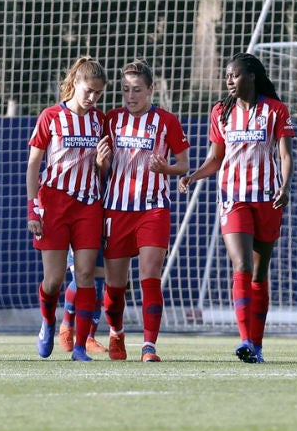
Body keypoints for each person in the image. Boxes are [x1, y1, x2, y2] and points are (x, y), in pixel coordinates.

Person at [179, 53, 294, 364]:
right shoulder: (221, 112)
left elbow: (285, 155)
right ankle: (244, 339)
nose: (229, 81)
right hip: (233, 198)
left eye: (235, 75)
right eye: (227, 76)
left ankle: (256, 345)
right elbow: (216, 159)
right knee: (241, 264)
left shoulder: (275, 111)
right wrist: (193, 175)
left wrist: (284, 186)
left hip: (268, 199)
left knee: (259, 271)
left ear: (252, 76)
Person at [102, 59, 191, 362]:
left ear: (151, 90)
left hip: (153, 209)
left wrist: (166, 168)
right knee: (115, 287)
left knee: (150, 274)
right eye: (125, 89)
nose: (130, 96)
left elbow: (183, 164)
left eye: (137, 90)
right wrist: (102, 160)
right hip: (115, 209)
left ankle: (149, 346)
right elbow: (102, 165)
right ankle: (116, 332)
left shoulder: (166, 121)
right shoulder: (111, 119)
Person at [27, 55, 110, 362]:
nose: (92, 98)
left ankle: (79, 346)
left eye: (98, 93)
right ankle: (48, 321)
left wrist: (103, 164)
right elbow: (34, 164)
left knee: (87, 274)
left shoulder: (100, 120)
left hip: (88, 205)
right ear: (75, 83)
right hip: (54, 204)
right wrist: (33, 211)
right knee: (54, 280)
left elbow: (103, 169)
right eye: (88, 90)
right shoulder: (51, 116)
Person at [57, 247, 107, 355]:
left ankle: (89, 338)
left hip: (103, 236)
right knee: (80, 279)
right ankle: (66, 326)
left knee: (97, 286)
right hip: (82, 234)